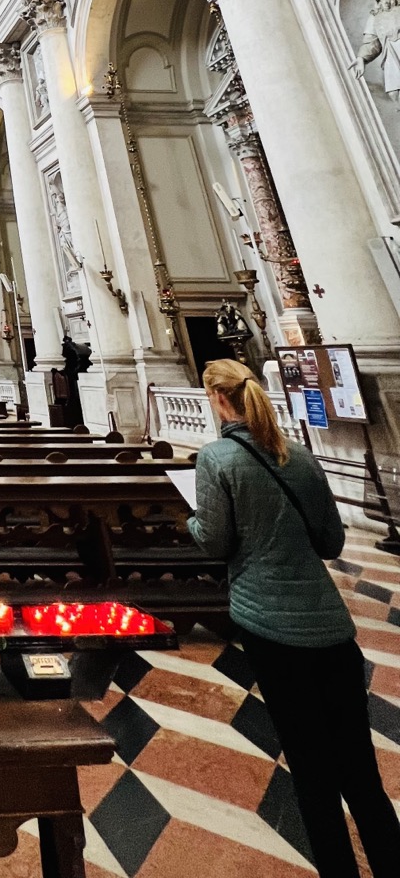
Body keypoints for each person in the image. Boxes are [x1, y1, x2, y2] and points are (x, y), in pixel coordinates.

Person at [188, 358, 399, 877]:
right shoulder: (299, 455)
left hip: (269, 625)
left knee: (310, 770)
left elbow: (215, 541)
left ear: (217, 400)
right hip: (331, 626)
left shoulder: (217, 458)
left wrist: (192, 520)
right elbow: (331, 541)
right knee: (360, 770)